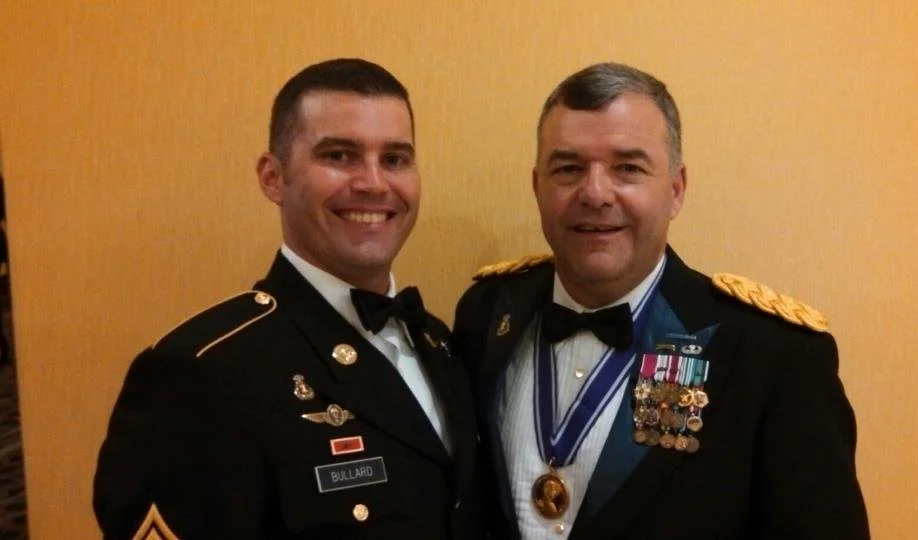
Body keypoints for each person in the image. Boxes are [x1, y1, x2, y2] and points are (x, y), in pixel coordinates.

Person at [453, 62, 869, 539]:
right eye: (568, 168)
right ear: (536, 187)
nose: (594, 193)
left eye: (627, 168)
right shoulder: (488, 314)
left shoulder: (775, 355)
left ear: (675, 189)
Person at [94, 58, 482, 539]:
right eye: (339, 155)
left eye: (395, 159)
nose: (374, 183)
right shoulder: (200, 373)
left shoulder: (438, 342)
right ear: (273, 177)